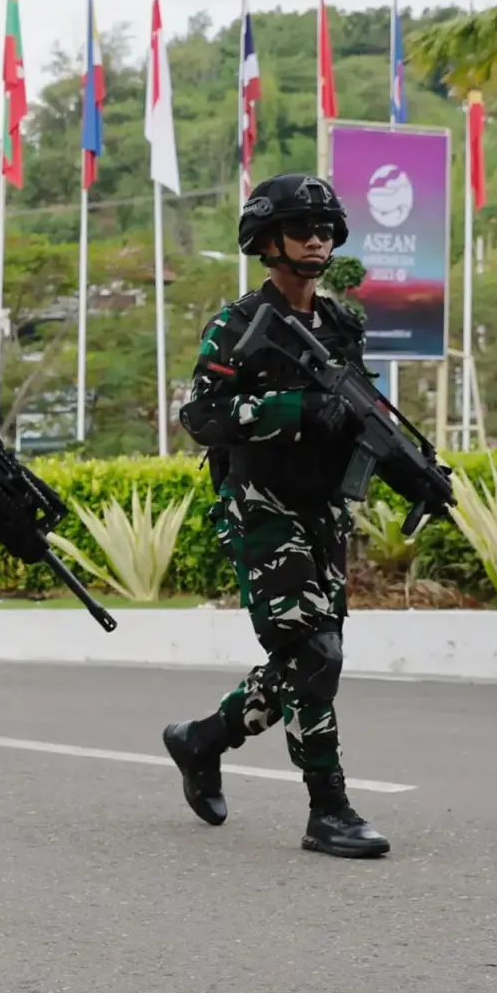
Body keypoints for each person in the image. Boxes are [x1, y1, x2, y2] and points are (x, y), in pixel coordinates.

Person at [161, 173, 391, 859]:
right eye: (301, 228)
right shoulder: (238, 326)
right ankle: (330, 809)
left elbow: (358, 413)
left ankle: (201, 740)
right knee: (311, 653)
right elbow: (202, 416)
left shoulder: (344, 324)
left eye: (325, 228)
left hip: (324, 512)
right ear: (267, 240)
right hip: (262, 506)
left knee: (311, 659)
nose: (317, 239)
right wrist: (292, 410)